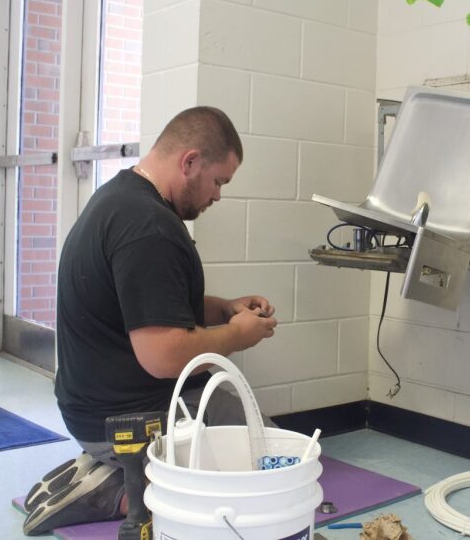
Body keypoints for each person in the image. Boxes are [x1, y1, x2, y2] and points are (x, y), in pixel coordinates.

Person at [22, 107, 278, 535]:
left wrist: (224, 309)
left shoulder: (121, 198)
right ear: (190, 161)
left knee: (269, 448)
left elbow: (148, 307)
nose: (217, 196)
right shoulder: (149, 227)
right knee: (268, 472)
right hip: (131, 417)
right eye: (218, 181)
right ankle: (124, 491)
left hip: (97, 408)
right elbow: (162, 355)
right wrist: (235, 335)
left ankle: (116, 467)